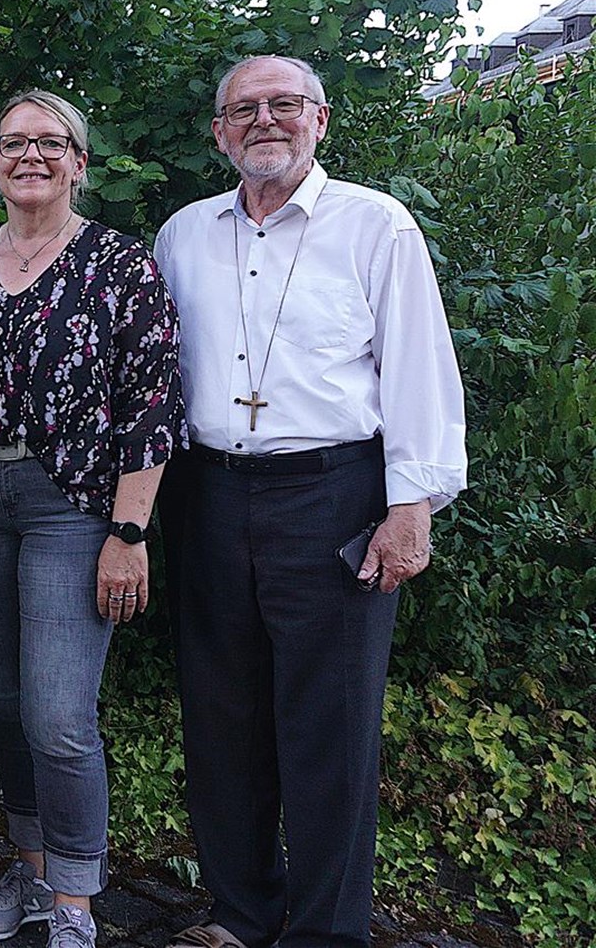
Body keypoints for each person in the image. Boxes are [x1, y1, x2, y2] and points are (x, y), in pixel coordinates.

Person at [153, 56, 466, 948]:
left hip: (332, 493)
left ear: (319, 120)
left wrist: (414, 505)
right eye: (243, 109)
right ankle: (240, 915)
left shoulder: (376, 226)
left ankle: (327, 933)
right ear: (219, 133)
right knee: (221, 717)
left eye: (282, 104)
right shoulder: (184, 234)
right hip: (206, 494)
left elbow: (419, 368)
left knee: (328, 727)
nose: (264, 120)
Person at [0, 90, 184, 948]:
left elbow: (153, 400)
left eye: (51, 142)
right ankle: (27, 871)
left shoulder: (119, 262)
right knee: (2, 698)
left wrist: (129, 532)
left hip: (73, 504)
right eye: (13, 142)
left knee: (59, 713)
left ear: (79, 161)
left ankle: (75, 899)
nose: (30, 155)